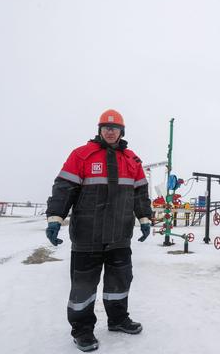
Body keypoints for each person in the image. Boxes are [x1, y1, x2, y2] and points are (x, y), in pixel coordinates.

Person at [45, 109, 152, 352]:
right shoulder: (81, 155)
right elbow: (64, 188)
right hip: (87, 235)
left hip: (120, 236)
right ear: (99, 130)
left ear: (122, 131)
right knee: (83, 287)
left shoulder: (132, 160)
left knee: (120, 282)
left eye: (115, 128)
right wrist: (55, 217)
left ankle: (117, 319)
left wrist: (144, 218)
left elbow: (140, 194)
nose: (110, 131)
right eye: (106, 127)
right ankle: (82, 331)